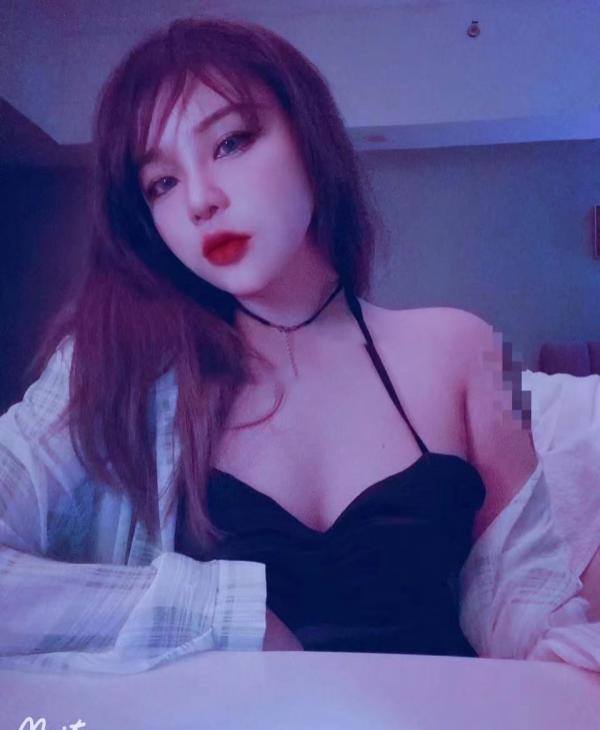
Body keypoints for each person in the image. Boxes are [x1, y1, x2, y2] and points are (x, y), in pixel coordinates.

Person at [0, 16, 597, 674]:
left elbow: (519, 588)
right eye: (161, 183)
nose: (199, 200)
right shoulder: (116, 369)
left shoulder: (467, 347)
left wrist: (557, 650)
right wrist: (213, 611)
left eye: (230, 142)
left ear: (310, 139)